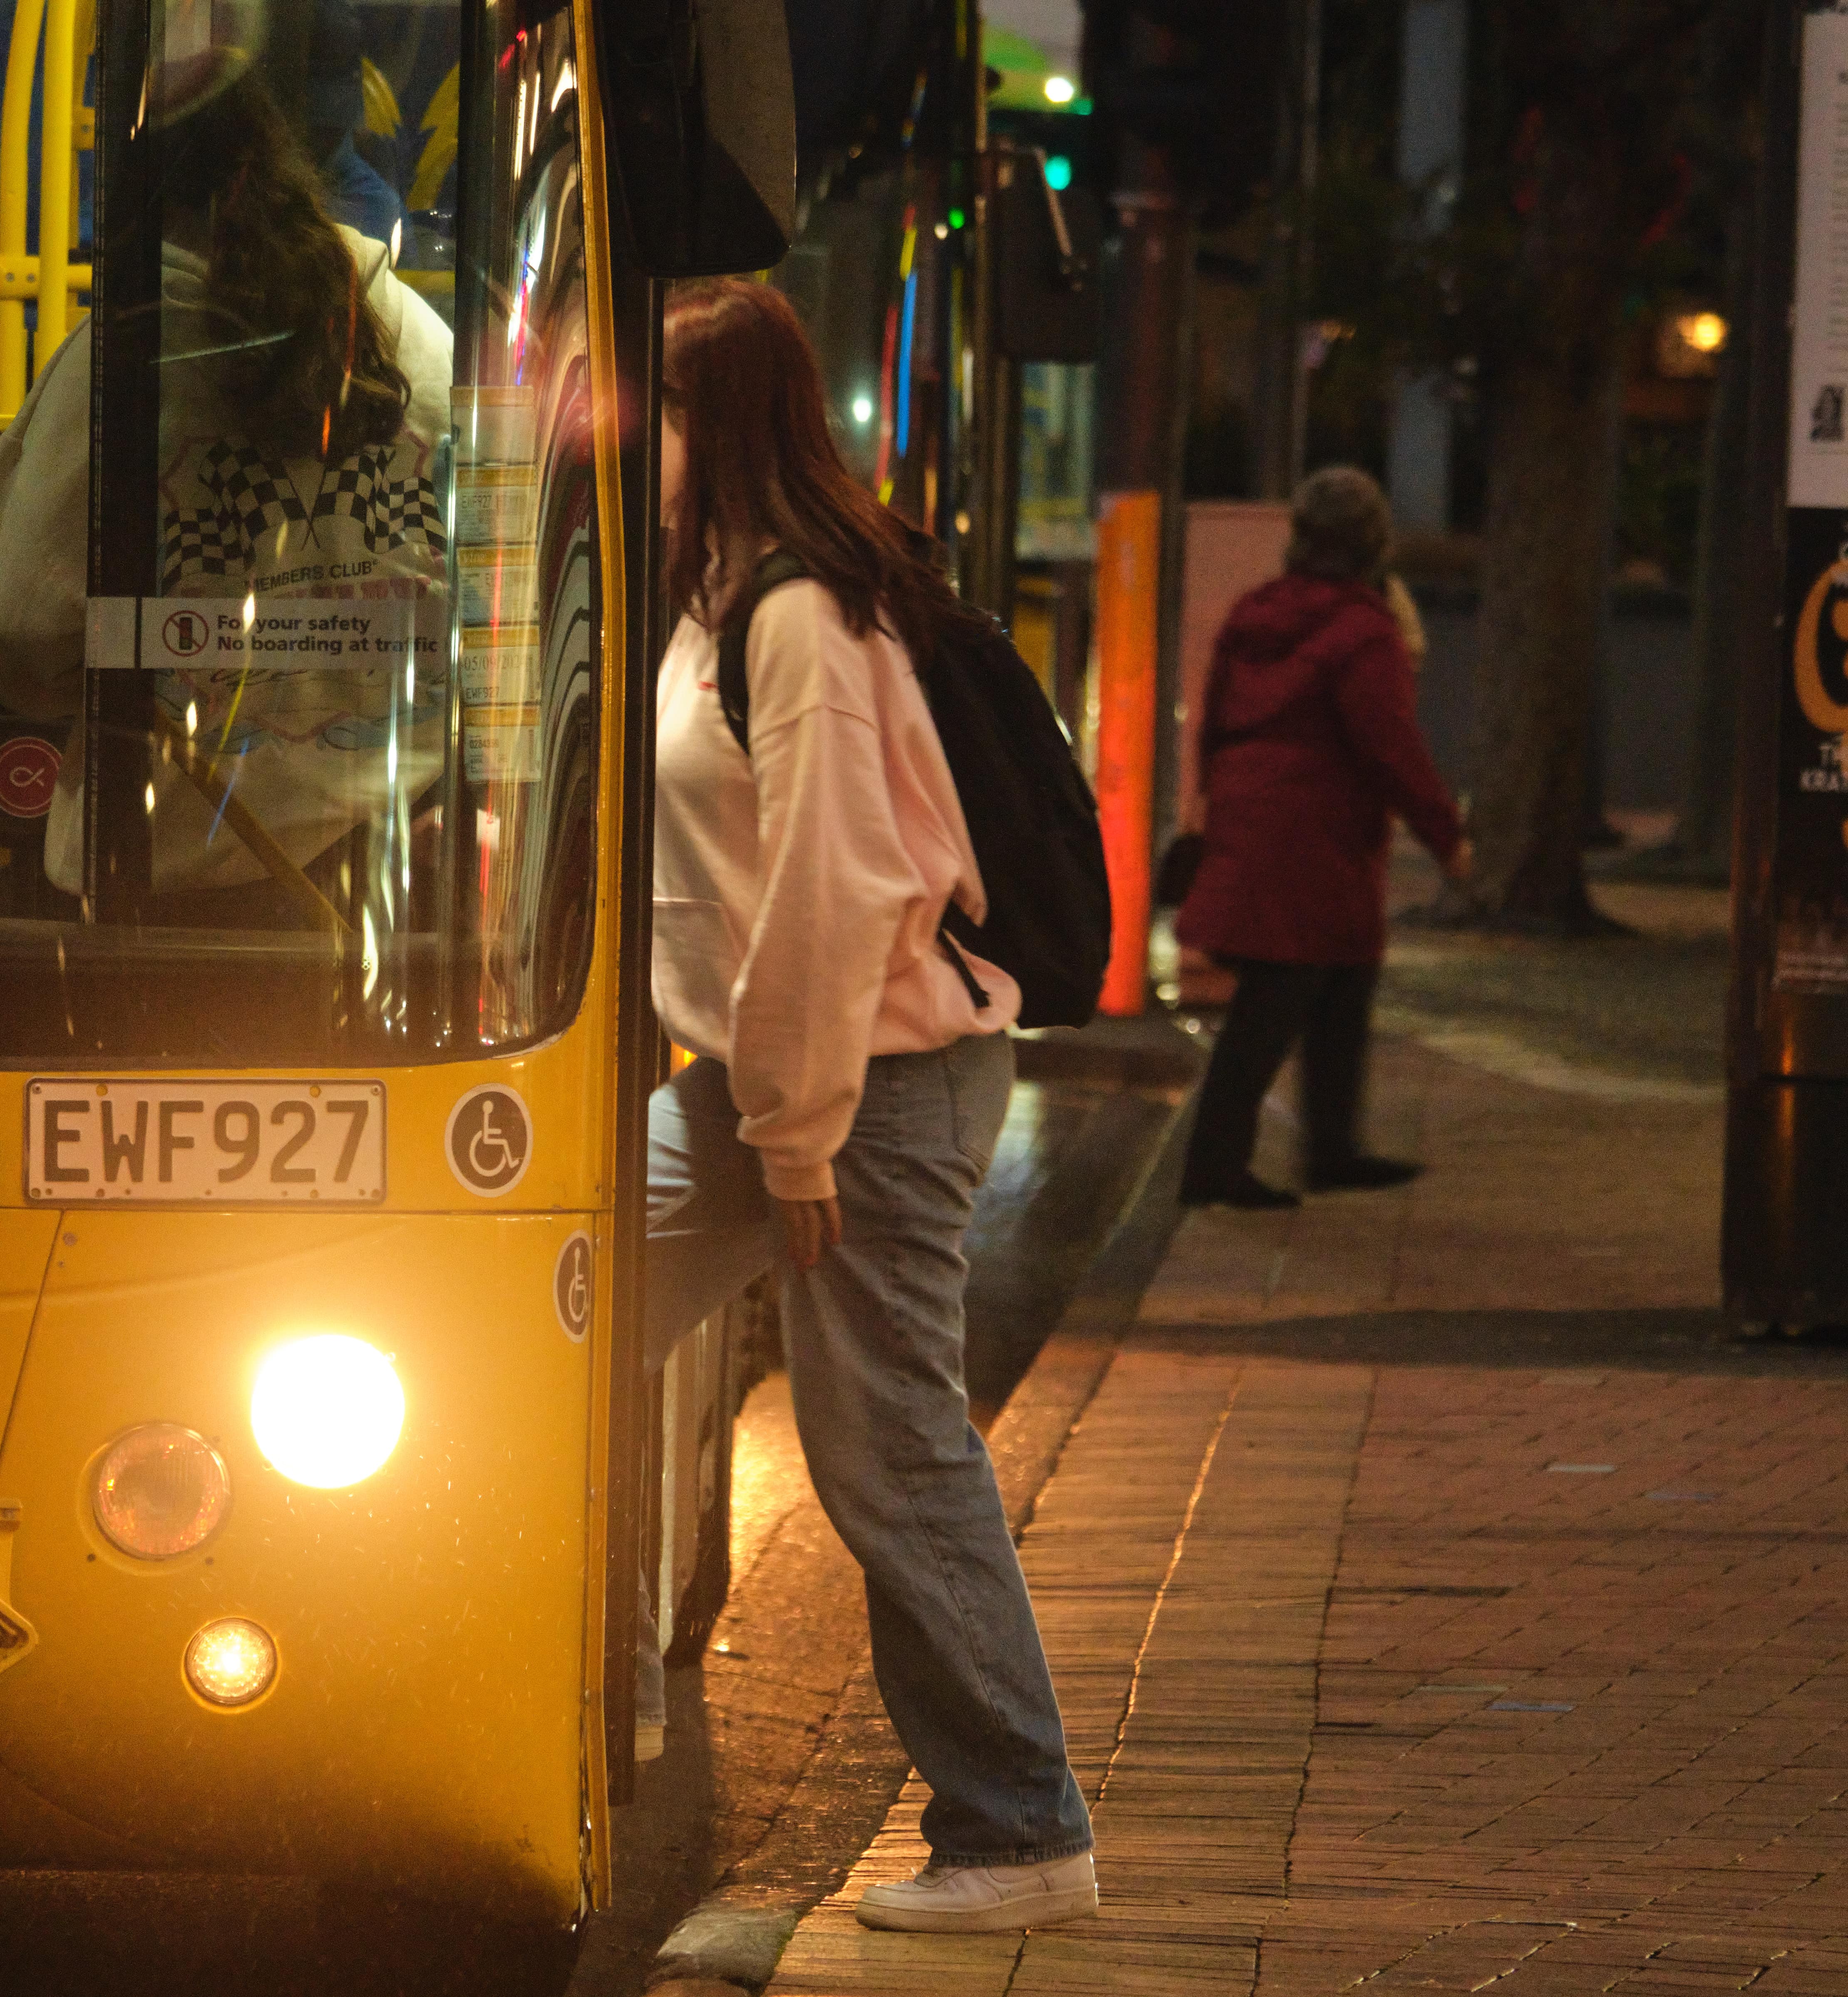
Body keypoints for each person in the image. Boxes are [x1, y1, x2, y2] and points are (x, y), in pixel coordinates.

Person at [643, 278, 1097, 1936]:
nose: (622, 439)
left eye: (654, 413)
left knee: (887, 1445)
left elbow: (833, 895)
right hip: (775, 1087)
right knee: (531, 1296)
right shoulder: (711, 596)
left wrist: (795, 1131)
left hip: (868, 1090)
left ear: (716, 425)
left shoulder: (797, 620)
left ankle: (1017, 1826)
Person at [0, 45, 450, 911]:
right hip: (398, 876)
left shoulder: (117, 371)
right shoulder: (418, 337)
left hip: (167, 893)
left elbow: (16, 638)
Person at [1175, 466, 1469, 1210]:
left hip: (1258, 820)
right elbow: (1390, 743)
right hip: (1317, 836)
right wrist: (1446, 836)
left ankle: (1331, 1147)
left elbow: (1212, 721)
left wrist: (1214, 810)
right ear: (1373, 546)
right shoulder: (1363, 631)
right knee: (1275, 1000)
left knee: (1336, 978)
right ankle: (1218, 1165)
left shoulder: (1253, 614)